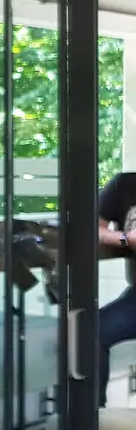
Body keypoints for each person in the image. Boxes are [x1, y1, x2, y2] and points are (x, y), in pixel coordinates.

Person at [96, 171, 136, 407]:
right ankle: (91, 419)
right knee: (89, 331)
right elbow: (94, 227)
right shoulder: (124, 185)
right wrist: (125, 239)